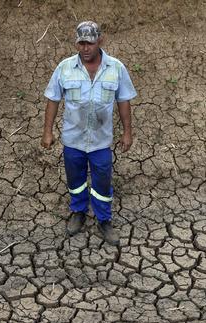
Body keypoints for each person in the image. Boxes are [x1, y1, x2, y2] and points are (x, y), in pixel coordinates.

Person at [42, 21, 136, 245]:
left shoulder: (115, 68)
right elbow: (53, 99)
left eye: (90, 43)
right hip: (73, 139)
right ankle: (78, 212)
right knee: (76, 179)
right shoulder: (65, 68)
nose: (85, 48)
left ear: (100, 41)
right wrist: (47, 131)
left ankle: (104, 219)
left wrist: (127, 133)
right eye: (81, 43)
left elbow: (123, 101)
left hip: (100, 141)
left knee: (102, 181)